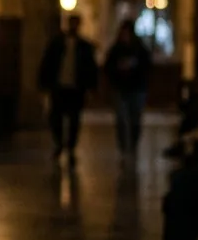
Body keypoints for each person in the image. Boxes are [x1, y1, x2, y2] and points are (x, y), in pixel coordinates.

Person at [37, 14, 98, 163]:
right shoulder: (56, 44)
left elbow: (91, 69)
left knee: (74, 120)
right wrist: (44, 84)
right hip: (59, 87)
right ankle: (59, 144)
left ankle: (70, 147)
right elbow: (47, 64)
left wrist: (90, 88)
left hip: (76, 89)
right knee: (56, 118)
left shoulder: (84, 46)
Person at [103, 19, 153, 161]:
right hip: (120, 89)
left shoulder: (139, 49)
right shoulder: (116, 49)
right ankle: (124, 145)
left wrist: (134, 69)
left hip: (137, 88)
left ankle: (132, 143)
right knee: (121, 118)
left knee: (135, 118)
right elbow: (108, 67)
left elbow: (147, 66)